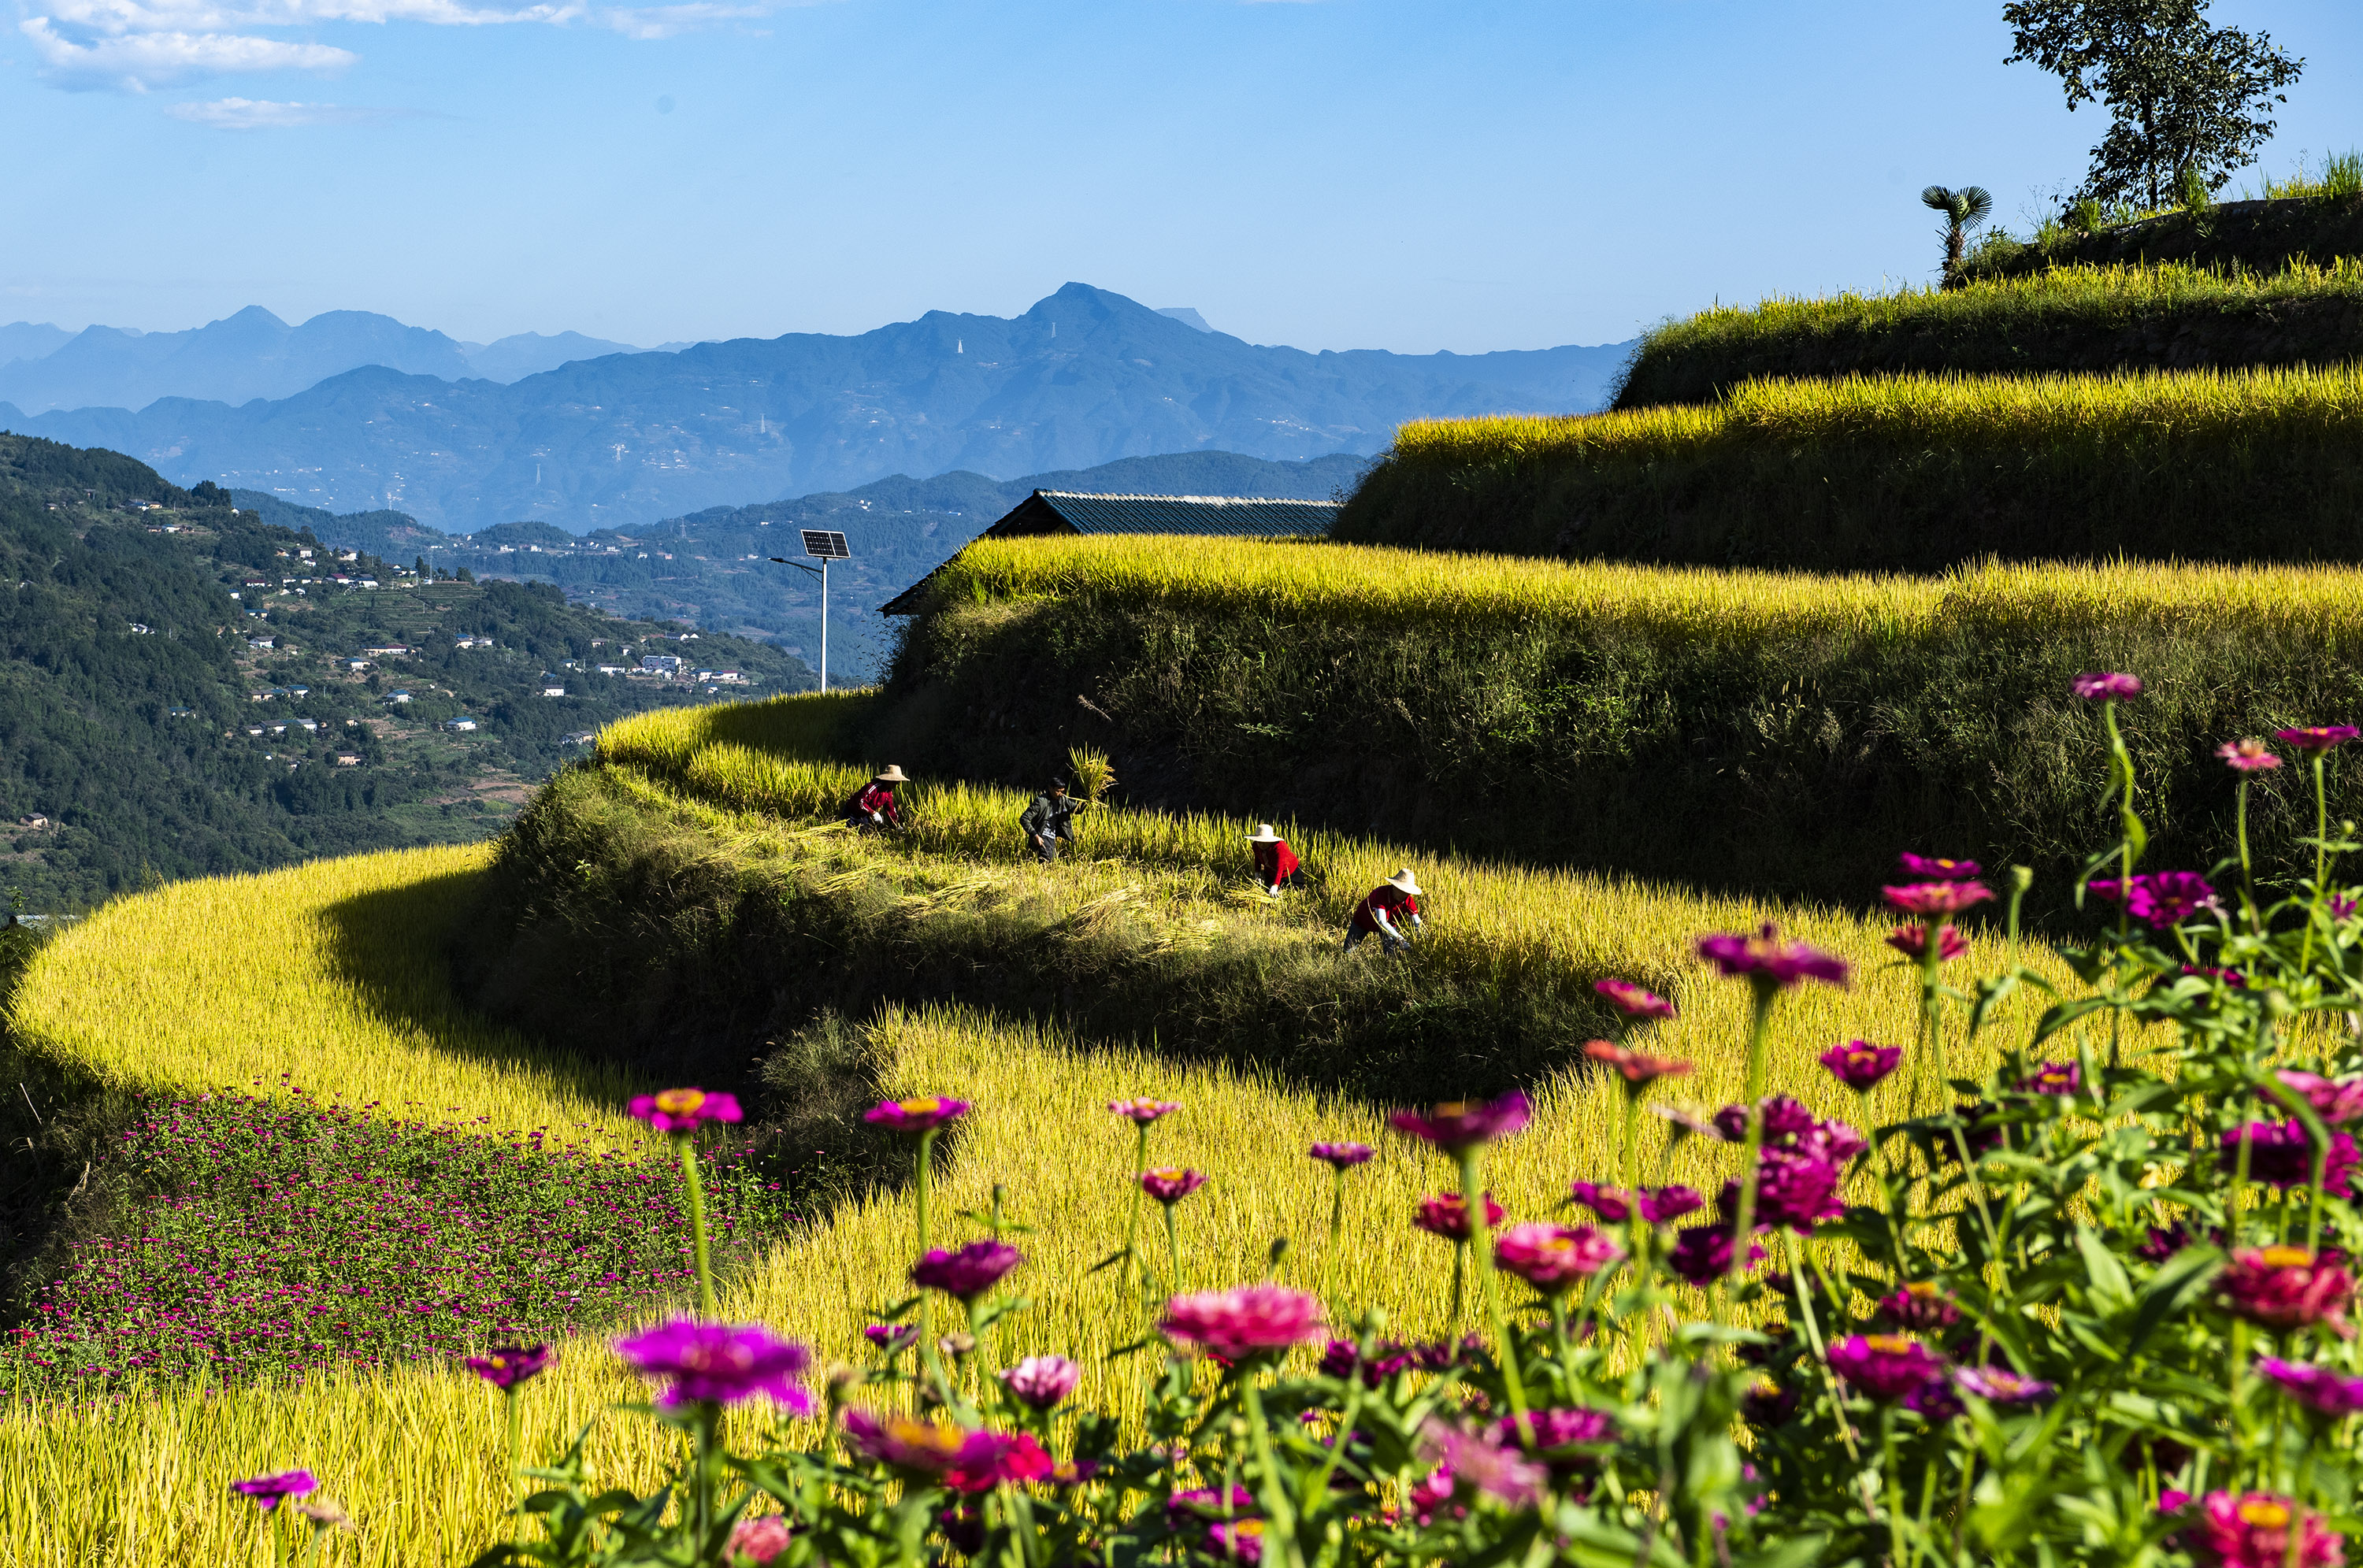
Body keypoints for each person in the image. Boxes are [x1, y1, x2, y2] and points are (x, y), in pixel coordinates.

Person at [1344, 867, 1423, 954]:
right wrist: (1400, 939)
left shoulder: (1408, 900)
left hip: (1390, 925)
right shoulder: (1381, 894)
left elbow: (1417, 922)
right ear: (1394, 887)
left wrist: (1423, 939)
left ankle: (1390, 965)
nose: (1404, 894)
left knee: (1391, 952)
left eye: (1407, 892)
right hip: (1363, 921)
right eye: (1402, 890)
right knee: (1348, 951)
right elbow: (1381, 922)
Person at [1019, 779, 1082, 863]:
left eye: (1062, 791)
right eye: (1058, 791)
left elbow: (1077, 810)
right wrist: (1035, 835)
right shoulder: (1041, 802)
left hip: (1051, 837)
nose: (1061, 794)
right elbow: (1024, 818)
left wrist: (1088, 800)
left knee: (1050, 862)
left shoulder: (1063, 799)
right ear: (1050, 788)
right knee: (1049, 861)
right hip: (1042, 835)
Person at [844, 765, 909, 832]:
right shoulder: (873, 787)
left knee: (865, 833)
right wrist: (873, 813)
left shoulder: (888, 793)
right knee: (848, 833)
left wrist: (897, 825)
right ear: (889, 780)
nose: (897, 784)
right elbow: (860, 802)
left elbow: (890, 809)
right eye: (895, 781)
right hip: (851, 812)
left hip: (864, 815)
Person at [1247, 823, 1300, 897]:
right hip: (1270, 871)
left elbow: (1280, 867)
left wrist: (1275, 886)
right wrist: (1257, 873)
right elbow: (1258, 858)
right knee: (1268, 892)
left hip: (1289, 871)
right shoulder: (1256, 845)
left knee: (1297, 891)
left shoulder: (1279, 847)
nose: (1261, 845)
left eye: (1264, 842)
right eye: (1259, 842)